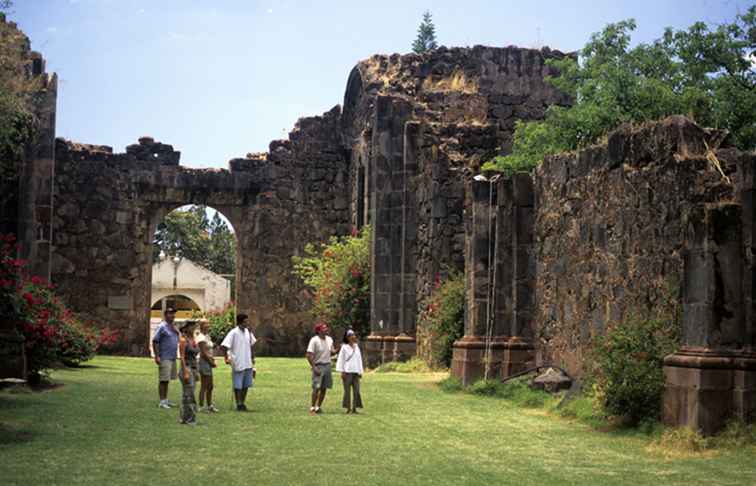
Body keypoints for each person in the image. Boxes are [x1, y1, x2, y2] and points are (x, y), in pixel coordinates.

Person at [221, 313, 257, 411]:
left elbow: (251, 345)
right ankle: (238, 403)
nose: (247, 323)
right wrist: (226, 357)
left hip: (247, 362)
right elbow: (224, 346)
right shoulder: (233, 333)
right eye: (245, 321)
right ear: (240, 322)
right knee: (238, 385)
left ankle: (243, 403)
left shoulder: (248, 332)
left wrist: (253, 357)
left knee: (246, 384)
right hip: (238, 361)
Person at [306, 322, 336, 415]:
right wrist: (314, 367)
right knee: (316, 387)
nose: (326, 329)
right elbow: (309, 355)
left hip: (327, 365)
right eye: (324, 328)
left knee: (324, 388)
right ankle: (312, 407)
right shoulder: (314, 340)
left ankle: (318, 407)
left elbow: (332, 352)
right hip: (318, 365)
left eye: (326, 328)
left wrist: (339, 349)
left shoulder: (329, 339)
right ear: (318, 331)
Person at [152, 307, 180, 409]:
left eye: (173, 314)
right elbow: (155, 341)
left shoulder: (172, 327)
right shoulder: (162, 326)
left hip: (172, 357)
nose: (173, 315)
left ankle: (166, 400)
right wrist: (157, 356)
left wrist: (177, 331)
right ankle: (162, 401)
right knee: (163, 380)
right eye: (170, 313)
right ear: (166, 315)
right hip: (164, 357)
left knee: (167, 379)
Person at [335, 329, 364, 414]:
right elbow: (341, 360)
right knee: (347, 391)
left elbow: (359, 359)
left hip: (356, 371)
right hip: (347, 372)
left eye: (354, 335)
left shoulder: (357, 347)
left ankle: (354, 408)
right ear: (347, 337)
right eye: (351, 335)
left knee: (356, 390)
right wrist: (342, 371)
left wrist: (360, 371)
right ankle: (348, 408)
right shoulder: (344, 347)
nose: (353, 336)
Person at [178, 320, 200, 425]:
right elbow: (181, 357)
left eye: (194, 326)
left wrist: (196, 371)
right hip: (186, 367)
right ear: (186, 328)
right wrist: (185, 371)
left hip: (193, 367)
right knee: (189, 394)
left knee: (187, 394)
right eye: (191, 326)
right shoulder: (183, 340)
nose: (193, 328)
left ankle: (184, 417)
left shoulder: (193, 340)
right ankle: (191, 418)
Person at [196, 319, 218, 413]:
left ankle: (209, 405)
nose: (208, 325)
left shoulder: (207, 336)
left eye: (209, 323)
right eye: (206, 324)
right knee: (204, 385)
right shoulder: (201, 337)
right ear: (201, 326)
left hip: (208, 362)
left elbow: (209, 349)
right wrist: (211, 362)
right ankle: (201, 406)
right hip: (204, 362)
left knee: (210, 386)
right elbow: (203, 353)